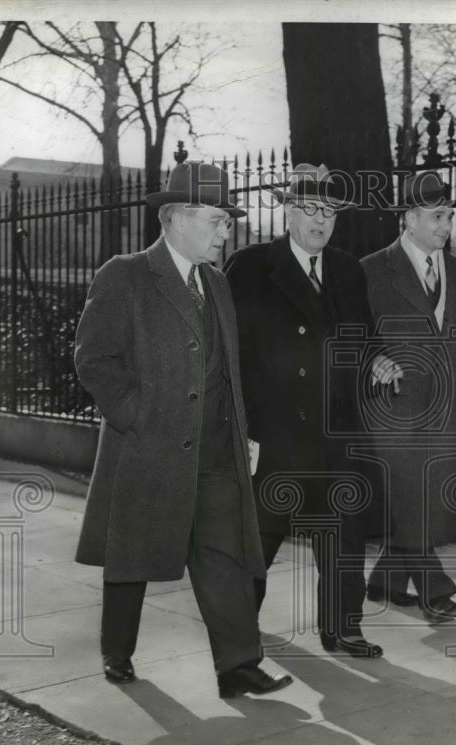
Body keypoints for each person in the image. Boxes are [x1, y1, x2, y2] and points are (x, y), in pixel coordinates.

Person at [74, 161, 293, 697]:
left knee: (223, 555)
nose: (226, 232)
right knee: (132, 553)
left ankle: (238, 665)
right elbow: (94, 359)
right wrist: (136, 416)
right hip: (148, 445)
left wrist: (242, 432)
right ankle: (117, 651)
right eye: (217, 220)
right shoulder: (125, 275)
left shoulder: (216, 283)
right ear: (175, 217)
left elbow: (226, 368)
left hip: (216, 448)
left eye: (226, 221)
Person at [224, 163, 400, 659]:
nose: (320, 221)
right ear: (288, 211)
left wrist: (379, 359)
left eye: (329, 212)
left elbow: (364, 337)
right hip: (276, 431)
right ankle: (238, 630)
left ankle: (343, 628)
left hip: (339, 430)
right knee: (260, 538)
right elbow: (230, 351)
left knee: (345, 534)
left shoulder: (347, 269)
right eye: (310, 209)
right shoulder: (251, 266)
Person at [360, 171, 456, 624]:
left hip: (447, 408)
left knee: (424, 498)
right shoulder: (372, 269)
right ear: (409, 219)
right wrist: (374, 360)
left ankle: (385, 582)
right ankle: (436, 591)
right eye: (437, 216)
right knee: (412, 501)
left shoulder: (455, 270)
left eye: (449, 216)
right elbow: (351, 336)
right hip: (395, 410)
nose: (446, 225)